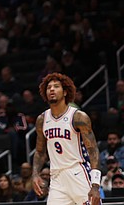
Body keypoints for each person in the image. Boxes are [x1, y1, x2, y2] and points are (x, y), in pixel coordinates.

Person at [33, 73, 102, 205]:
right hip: (57, 178)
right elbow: (40, 151)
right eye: (49, 87)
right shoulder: (42, 119)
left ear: (65, 92)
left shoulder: (78, 117)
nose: (51, 89)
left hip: (78, 173)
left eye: (56, 86)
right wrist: (35, 174)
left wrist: (95, 185)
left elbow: (93, 151)